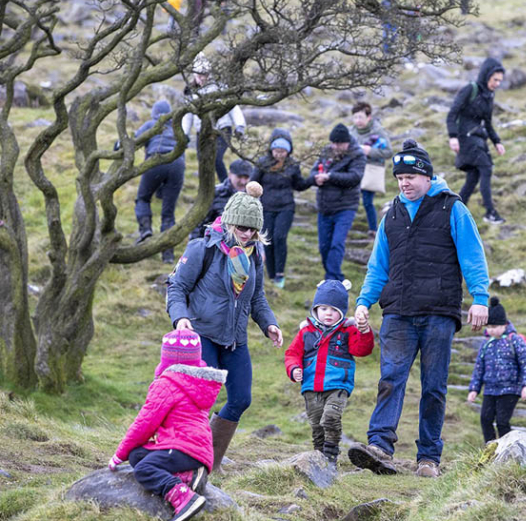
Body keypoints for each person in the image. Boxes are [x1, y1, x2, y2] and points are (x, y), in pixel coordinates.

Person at [348, 140, 490, 478]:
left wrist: (480, 299)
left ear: (427, 177)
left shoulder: (452, 208)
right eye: (399, 178)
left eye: (411, 176)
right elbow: (377, 266)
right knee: (390, 379)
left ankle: (428, 458)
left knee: (434, 386)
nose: (404, 183)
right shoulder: (392, 215)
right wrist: (364, 302)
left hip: (439, 312)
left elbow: (473, 256)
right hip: (397, 311)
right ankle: (380, 446)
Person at [167, 181, 283, 472]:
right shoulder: (201, 249)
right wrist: (180, 318)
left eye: (252, 230)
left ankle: (211, 462)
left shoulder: (254, 254)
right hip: (202, 334)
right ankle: (188, 458)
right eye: (242, 228)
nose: (246, 235)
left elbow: (257, 297)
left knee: (241, 399)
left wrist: (269, 324)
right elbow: (177, 287)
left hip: (235, 340)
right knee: (200, 401)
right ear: (229, 222)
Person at [108, 328, 227, 521]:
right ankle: (187, 476)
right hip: (194, 447)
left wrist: (118, 455)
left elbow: (144, 424)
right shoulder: (195, 382)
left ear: (167, 358)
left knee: (144, 469)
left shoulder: (168, 384)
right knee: (137, 455)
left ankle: (183, 497)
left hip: (185, 447)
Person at [284, 280, 374, 465]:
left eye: (334, 310)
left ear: (341, 312)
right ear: (316, 309)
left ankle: (331, 455)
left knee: (331, 417)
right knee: (317, 424)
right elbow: (292, 354)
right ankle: (319, 456)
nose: (328, 314)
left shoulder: (348, 331)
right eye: (324, 308)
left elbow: (362, 350)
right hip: (311, 386)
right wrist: (294, 369)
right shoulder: (305, 332)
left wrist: (364, 332)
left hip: (338, 385)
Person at [446, 57, 507, 225]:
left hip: (478, 139)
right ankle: (490, 212)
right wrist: (452, 137)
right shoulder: (470, 89)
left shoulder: (489, 95)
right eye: (495, 80)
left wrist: (497, 142)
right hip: (465, 139)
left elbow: (487, 122)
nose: (497, 84)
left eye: (500, 81)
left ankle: (455, 212)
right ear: (486, 75)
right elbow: (452, 114)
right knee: (486, 168)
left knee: (473, 176)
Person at [467, 297, 526, 443]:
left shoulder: (515, 340)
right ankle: (490, 451)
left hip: (510, 389)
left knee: (502, 421)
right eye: (488, 327)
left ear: (504, 324)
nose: (491, 330)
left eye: (494, 326)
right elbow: (479, 368)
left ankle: (508, 450)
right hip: (490, 389)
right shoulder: (486, 344)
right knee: (485, 419)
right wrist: (474, 389)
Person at [304, 124, 367, 281]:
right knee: (324, 246)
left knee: (336, 244)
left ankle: (331, 280)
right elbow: (314, 171)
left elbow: (355, 177)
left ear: (347, 142)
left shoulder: (357, 154)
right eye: (333, 143)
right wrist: (315, 179)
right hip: (325, 207)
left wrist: (330, 177)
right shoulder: (326, 151)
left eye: (339, 144)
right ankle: (336, 278)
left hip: (346, 207)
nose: (335, 147)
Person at [251, 130, 308, 288]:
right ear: (271, 150)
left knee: (280, 237)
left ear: (288, 151)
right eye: (276, 151)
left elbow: (299, 185)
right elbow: (253, 182)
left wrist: (313, 180)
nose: (279, 155)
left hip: (286, 207)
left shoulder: (292, 165)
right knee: (267, 239)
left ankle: (280, 274)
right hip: (266, 207)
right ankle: (270, 274)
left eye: (282, 152)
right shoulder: (262, 163)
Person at [132, 100, 185, 264]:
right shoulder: (176, 126)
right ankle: (168, 255)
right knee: (168, 213)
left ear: (154, 113)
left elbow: (135, 140)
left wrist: (118, 145)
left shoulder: (151, 124)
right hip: (177, 164)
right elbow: (186, 142)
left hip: (156, 161)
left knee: (143, 198)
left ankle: (145, 230)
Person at [182, 53, 246, 183]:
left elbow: (233, 107)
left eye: (204, 74)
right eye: (199, 75)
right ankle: (206, 189)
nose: (202, 78)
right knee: (203, 161)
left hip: (222, 129)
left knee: (216, 158)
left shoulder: (220, 87)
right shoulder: (190, 92)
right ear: (194, 75)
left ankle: (224, 184)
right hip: (202, 132)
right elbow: (187, 115)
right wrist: (184, 134)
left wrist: (239, 126)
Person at [349, 102, 392, 236]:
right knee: (350, 199)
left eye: (361, 117)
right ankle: (346, 226)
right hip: (354, 170)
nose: (358, 121)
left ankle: (373, 229)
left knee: (367, 201)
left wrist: (370, 151)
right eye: (355, 117)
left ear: (369, 117)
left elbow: (388, 152)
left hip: (371, 170)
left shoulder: (378, 131)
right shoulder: (351, 132)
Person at [189, 159, 252, 240]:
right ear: (230, 175)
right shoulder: (215, 193)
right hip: (215, 245)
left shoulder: (253, 196)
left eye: (246, 178)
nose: (243, 182)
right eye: (239, 177)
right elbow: (198, 224)